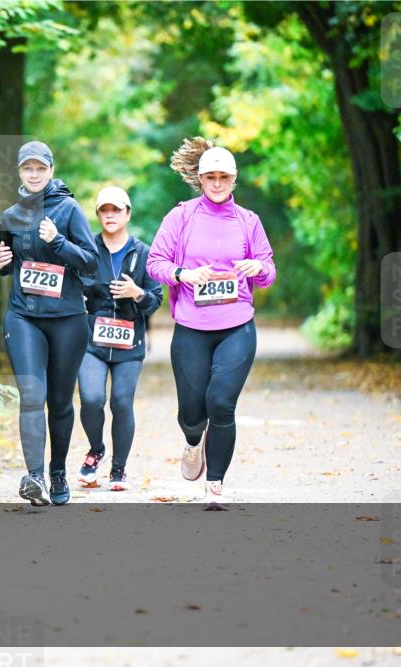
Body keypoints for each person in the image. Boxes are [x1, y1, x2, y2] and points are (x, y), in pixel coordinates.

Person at [146, 139, 276, 508]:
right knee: (192, 412)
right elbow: (155, 263)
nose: (217, 183)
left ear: (234, 180)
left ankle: (215, 484)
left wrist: (259, 268)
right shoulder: (181, 217)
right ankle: (191, 442)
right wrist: (183, 274)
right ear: (199, 179)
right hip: (190, 327)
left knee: (221, 403)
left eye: (224, 177)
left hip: (237, 325)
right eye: (210, 177)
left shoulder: (248, 221)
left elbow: (268, 269)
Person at [0, 141, 99, 506]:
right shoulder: (9, 215)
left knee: (59, 401)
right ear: (20, 172)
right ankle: (34, 476)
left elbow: (90, 262)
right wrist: (0, 261)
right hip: (23, 316)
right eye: (28, 169)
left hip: (67, 318)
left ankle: (57, 471)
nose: (34, 174)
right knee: (32, 395)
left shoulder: (68, 209)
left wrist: (58, 242)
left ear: (51, 170)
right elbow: (9, 263)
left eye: (40, 168)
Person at [76, 186, 162, 491]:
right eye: (104, 210)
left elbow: (155, 299)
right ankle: (96, 449)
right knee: (91, 398)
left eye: (116, 210)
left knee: (121, 403)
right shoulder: (87, 250)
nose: (110, 215)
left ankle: (119, 469)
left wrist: (136, 293)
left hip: (129, 342)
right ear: (98, 215)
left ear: (127, 214)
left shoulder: (143, 253)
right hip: (92, 342)